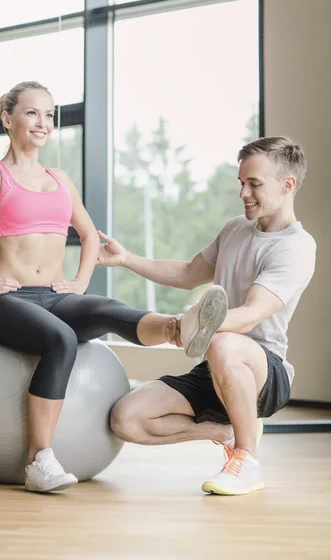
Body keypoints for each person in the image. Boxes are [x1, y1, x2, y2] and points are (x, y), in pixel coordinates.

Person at [0, 80, 228, 494]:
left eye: (49, 115)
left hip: (55, 295)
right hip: (9, 300)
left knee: (107, 308)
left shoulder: (60, 179)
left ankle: (179, 328)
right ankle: (38, 461)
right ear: (7, 119)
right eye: (32, 113)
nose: (43, 123)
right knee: (61, 340)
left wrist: (80, 282)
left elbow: (87, 235)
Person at [99, 136, 317, 496]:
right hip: (215, 364)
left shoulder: (296, 247)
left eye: (254, 184)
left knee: (224, 343)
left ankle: (247, 459)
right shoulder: (235, 229)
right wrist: (126, 259)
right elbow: (187, 273)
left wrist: (196, 325)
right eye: (241, 183)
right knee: (126, 418)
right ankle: (224, 430)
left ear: (287, 184)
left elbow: (249, 316)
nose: (244, 192)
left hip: (265, 370)